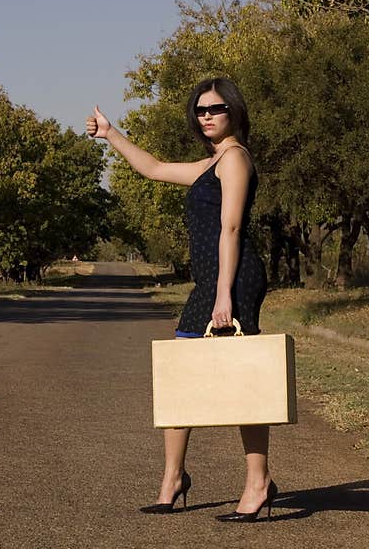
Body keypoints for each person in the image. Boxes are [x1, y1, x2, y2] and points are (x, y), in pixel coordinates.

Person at [86, 77, 276, 522]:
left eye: (215, 109)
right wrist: (111, 134)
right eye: (200, 110)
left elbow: (230, 229)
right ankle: (173, 478)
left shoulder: (235, 161)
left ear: (234, 112)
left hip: (233, 278)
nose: (206, 116)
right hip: (210, 280)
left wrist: (224, 295)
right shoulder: (211, 164)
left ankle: (258, 483)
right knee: (180, 376)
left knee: (243, 380)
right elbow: (152, 168)